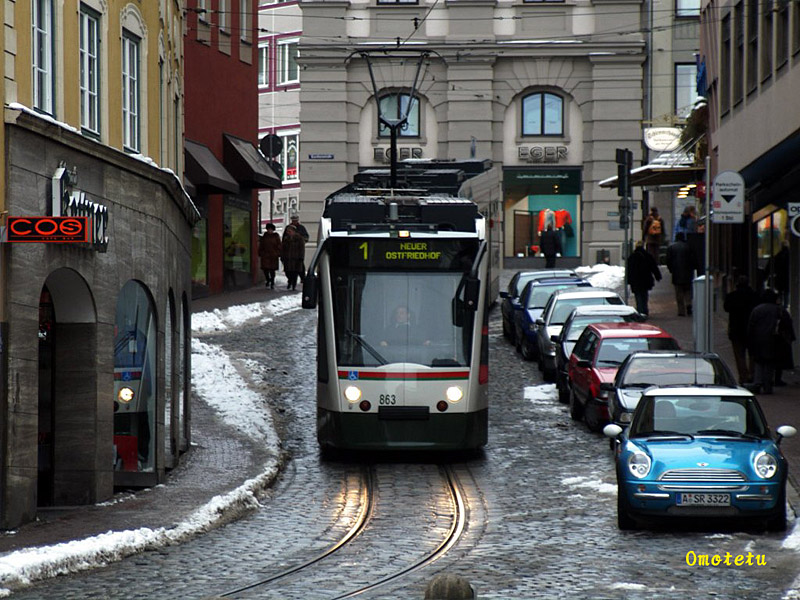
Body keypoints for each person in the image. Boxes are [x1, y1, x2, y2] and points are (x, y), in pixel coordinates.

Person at [747, 289, 795, 394]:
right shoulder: (780, 310)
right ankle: (768, 384)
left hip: (758, 340)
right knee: (770, 364)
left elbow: (751, 327)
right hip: (774, 341)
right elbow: (787, 326)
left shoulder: (757, 310)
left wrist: (750, 341)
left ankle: (758, 382)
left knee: (759, 362)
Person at [723, 275, 758, 384]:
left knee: (739, 356)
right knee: (753, 354)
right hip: (751, 330)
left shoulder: (732, 296)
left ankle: (743, 376)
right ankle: (752, 375)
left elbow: (726, 308)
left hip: (736, 330)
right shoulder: (754, 296)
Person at [625, 240, 661, 318]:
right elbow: (653, 267)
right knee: (644, 295)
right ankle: (644, 310)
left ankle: (640, 310)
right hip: (645, 280)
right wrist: (658, 276)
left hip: (635, 281)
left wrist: (628, 280)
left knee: (638, 296)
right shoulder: (647, 255)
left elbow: (629, 270)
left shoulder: (632, 257)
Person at [665, 231, 697, 316]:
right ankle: (688, 304)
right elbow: (693, 260)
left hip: (676, 273)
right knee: (688, 291)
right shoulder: (688, 247)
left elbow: (668, 260)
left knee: (679, 293)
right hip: (688, 273)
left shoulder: (671, 248)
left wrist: (671, 269)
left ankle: (681, 311)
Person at [281, 223, 306, 290]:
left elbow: (302, 249)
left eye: (289, 231)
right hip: (288, 259)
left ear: (294, 231)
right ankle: (290, 281)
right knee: (288, 272)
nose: (288, 233)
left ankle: (293, 285)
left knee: (295, 273)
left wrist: (301, 257)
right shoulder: (286, 239)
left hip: (296, 259)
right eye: (287, 231)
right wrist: (282, 256)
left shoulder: (300, 239)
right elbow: (283, 248)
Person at [258, 223, 282, 289]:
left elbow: (279, 245)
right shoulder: (264, 237)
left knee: (272, 270)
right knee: (265, 269)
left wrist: (278, 253)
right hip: (265, 255)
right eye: (269, 229)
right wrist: (261, 252)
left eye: (271, 229)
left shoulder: (276, 236)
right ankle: (268, 280)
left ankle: (272, 281)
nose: (270, 231)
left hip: (273, 255)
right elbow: (261, 245)